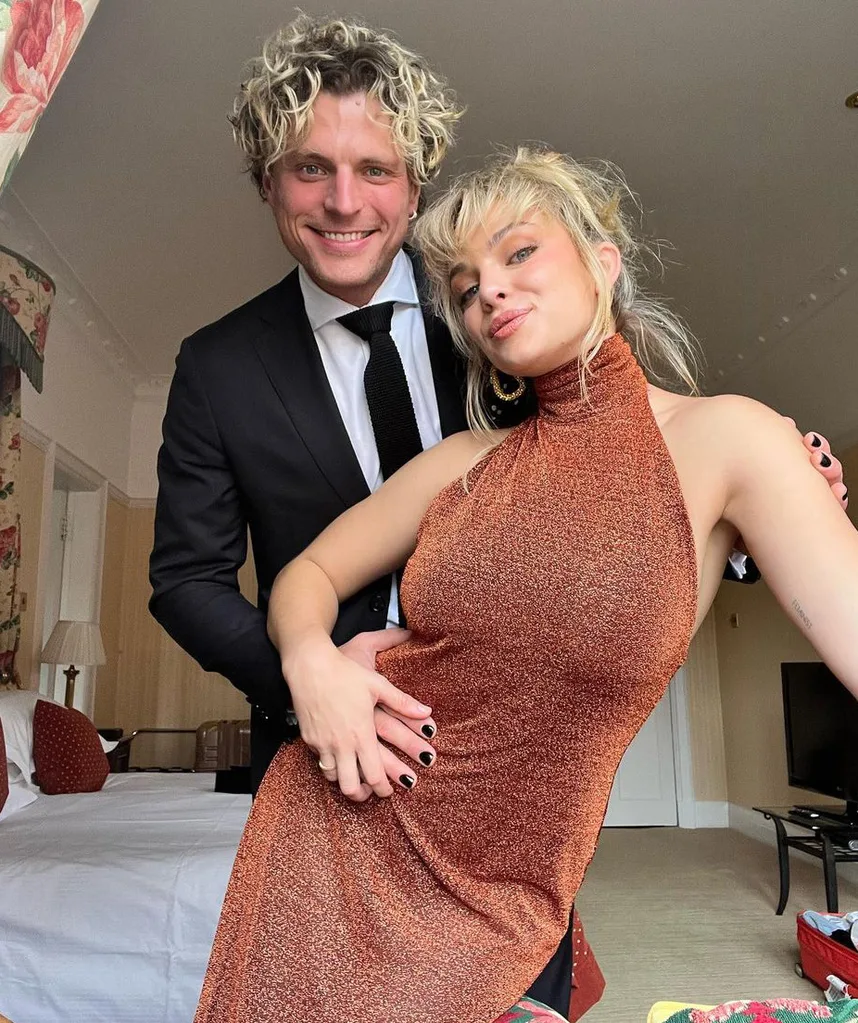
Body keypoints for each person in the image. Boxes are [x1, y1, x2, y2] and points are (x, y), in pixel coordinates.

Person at [193, 146, 858, 1022]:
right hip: (335, 837)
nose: (490, 292)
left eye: (519, 252)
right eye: (467, 286)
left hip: (510, 900)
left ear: (603, 264)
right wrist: (312, 663)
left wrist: (792, 507)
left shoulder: (733, 441)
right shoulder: (464, 462)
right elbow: (306, 573)